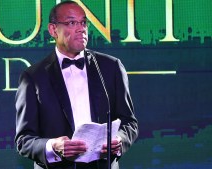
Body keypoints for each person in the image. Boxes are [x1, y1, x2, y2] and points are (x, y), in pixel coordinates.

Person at [15, 1, 138, 169]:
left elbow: (129, 123)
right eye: (72, 23)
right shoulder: (33, 77)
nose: (81, 28)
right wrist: (53, 146)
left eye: (83, 22)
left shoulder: (111, 67)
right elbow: (24, 140)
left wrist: (119, 140)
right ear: (53, 30)